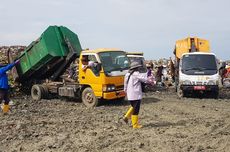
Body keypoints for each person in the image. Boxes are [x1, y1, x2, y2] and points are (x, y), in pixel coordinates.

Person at [123, 61, 148, 129]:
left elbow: (125, 84)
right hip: (136, 94)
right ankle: (135, 125)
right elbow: (145, 79)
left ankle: (126, 117)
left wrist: (125, 91)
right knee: (136, 110)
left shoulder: (127, 74)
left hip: (130, 94)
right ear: (136, 68)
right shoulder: (136, 74)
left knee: (133, 106)